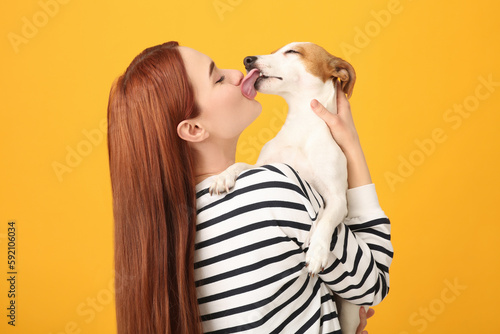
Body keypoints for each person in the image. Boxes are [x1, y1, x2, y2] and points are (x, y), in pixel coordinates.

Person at [107, 41, 393, 334]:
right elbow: (372, 286)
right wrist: (351, 144)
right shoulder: (275, 192)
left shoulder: (168, 230)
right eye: (217, 78)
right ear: (193, 129)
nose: (235, 73)